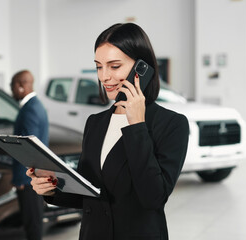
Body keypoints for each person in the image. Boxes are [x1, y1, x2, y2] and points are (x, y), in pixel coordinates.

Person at [27, 23, 189, 240]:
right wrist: (52, 190)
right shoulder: (95, 122)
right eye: (98, 66)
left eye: (114, 66)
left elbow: (153, 197)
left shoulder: (171, 124)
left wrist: (137, 125)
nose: (104, 77)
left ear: (142, 69)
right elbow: (90, 194)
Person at [11, 70, 49, 240]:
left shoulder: (30, 110)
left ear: (20, 86)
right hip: (34, 175)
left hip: (29, 178)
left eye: (12, 86)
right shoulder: (36, 105)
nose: (11, 90)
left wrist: (20, 179)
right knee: (33, 221)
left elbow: (28, 148)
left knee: (32, 223)